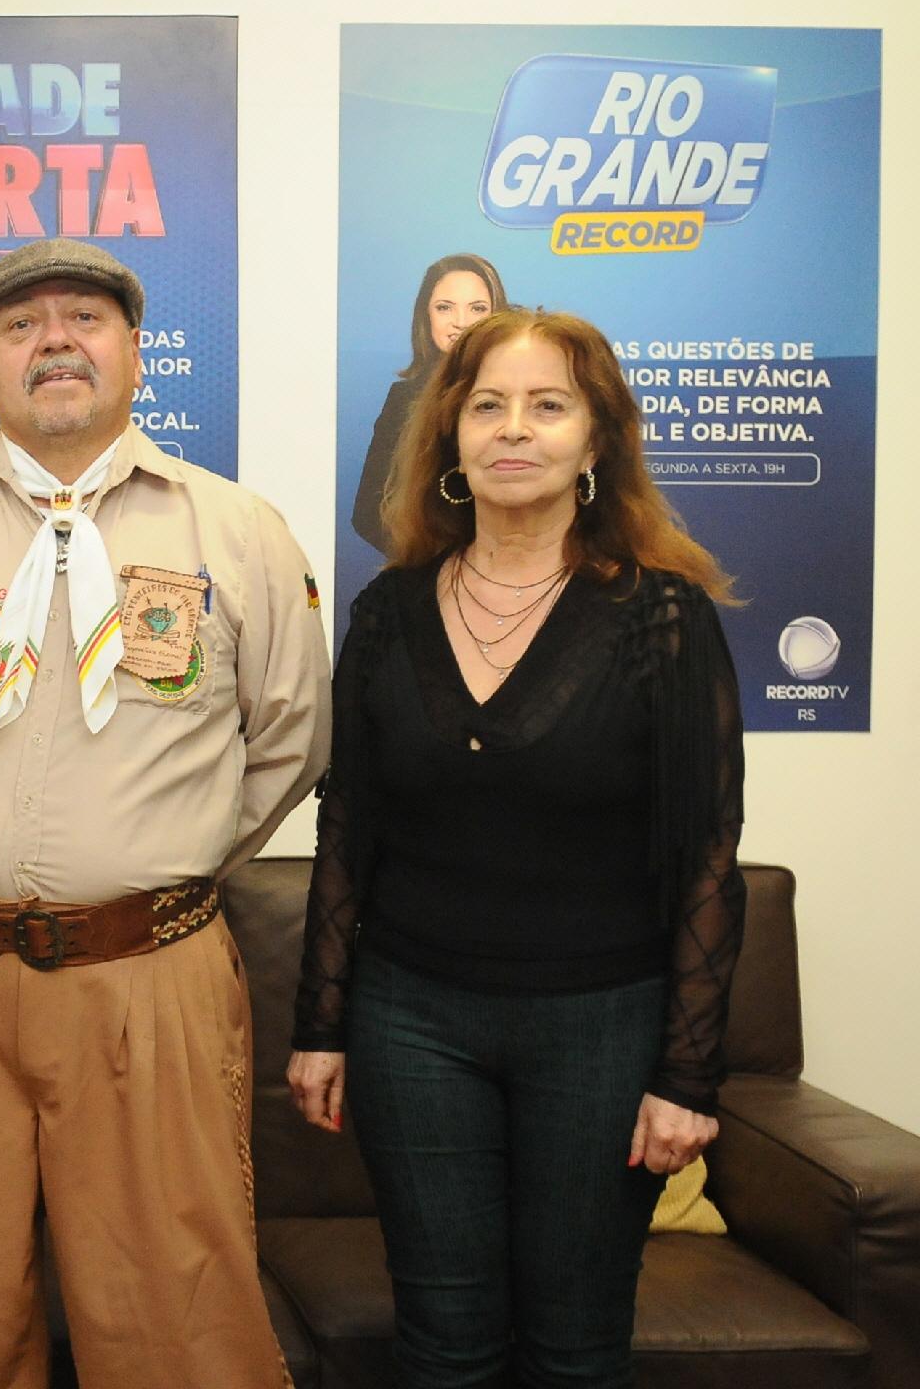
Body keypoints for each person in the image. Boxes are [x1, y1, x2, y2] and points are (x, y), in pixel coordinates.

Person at [0, 238, 330, 1389]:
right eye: (18, 325)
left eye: (84, 318)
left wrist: (157, 863)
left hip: (148, 979)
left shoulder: (236, 532)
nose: (54, 340)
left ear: (134, 351)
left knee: (175, 1324)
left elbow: (289, 744)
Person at [288, 307, 746, 1387]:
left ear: (595, 440)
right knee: (440, 1345)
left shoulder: (662, 619)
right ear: (447, 434)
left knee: (574, 1347)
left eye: (547, 406)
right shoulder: (387, 611)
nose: (512, 429)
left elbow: (707, 856)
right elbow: (348, 822)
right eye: (485, 405)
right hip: (410, 1024)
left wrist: (686, 1075)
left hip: (603, 1028)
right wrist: (321, 1023)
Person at [351, 253, 507, 553]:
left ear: (497, 315)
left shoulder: (522, 396)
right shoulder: (404, 400)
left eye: (477, 308)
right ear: (426, 316)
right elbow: (368, 514)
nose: (461, 322)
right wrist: (434, 565)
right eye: (444, 307)